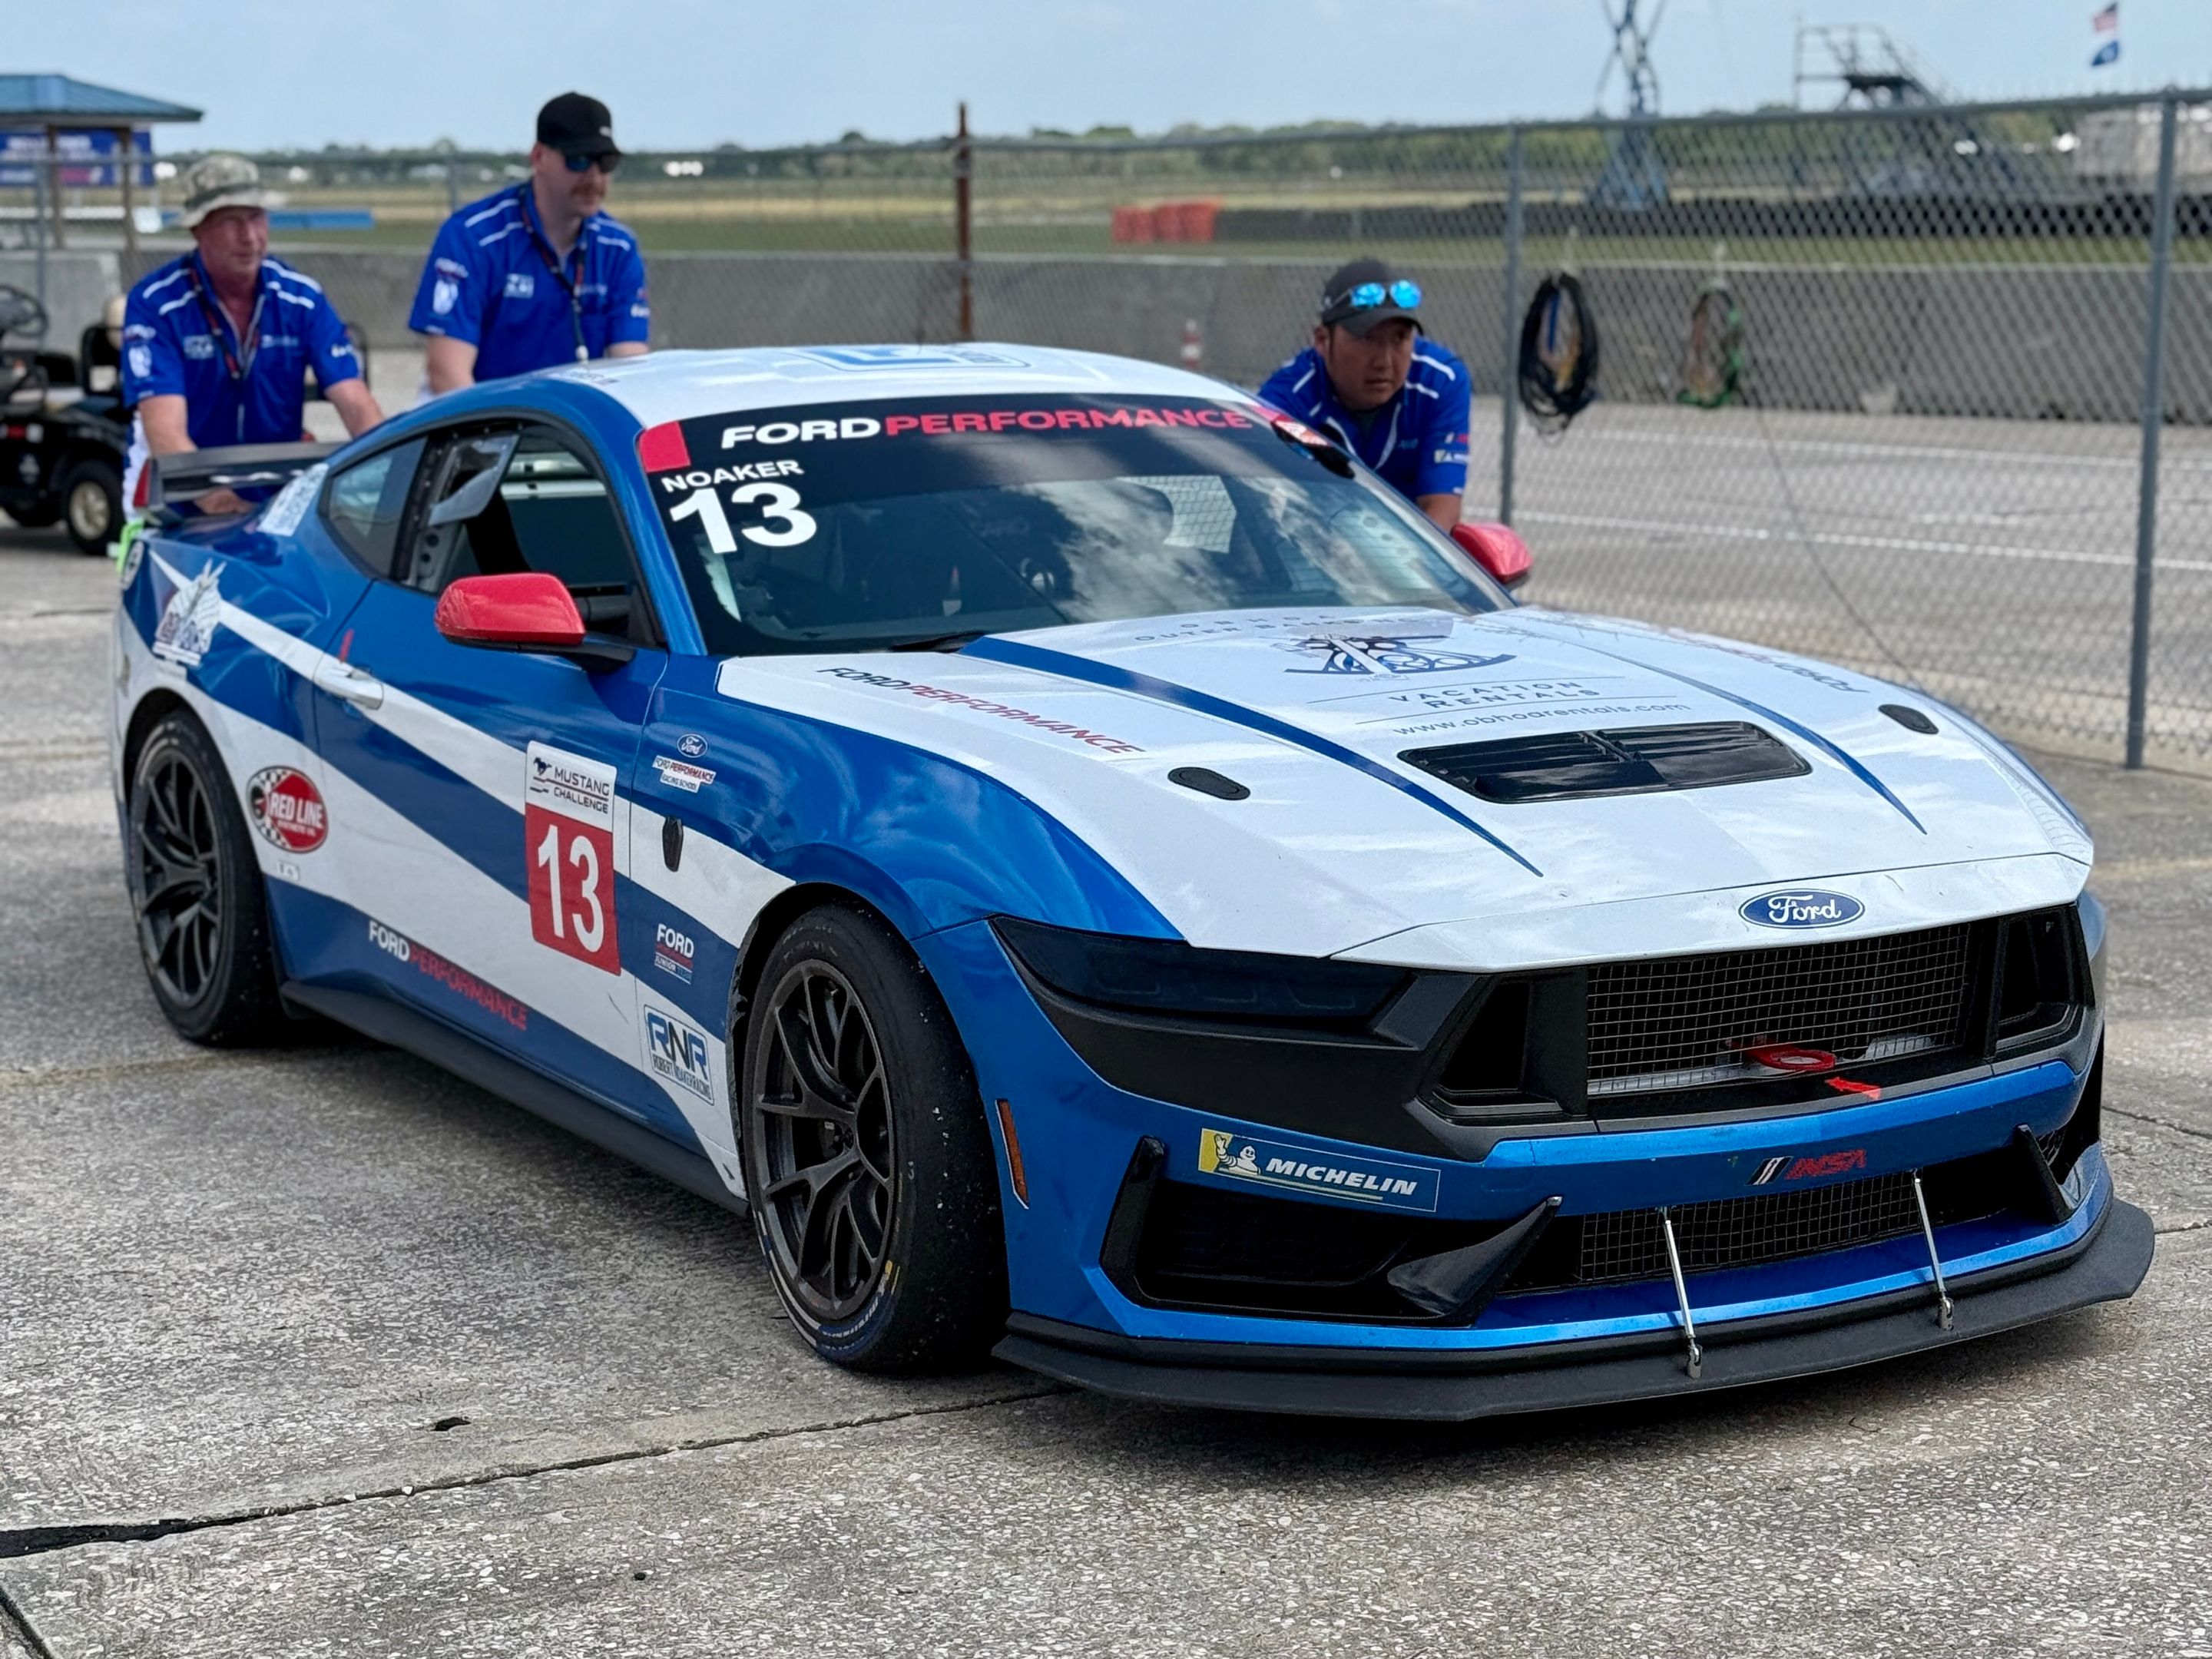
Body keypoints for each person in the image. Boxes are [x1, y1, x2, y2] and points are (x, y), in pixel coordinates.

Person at [119, 154, 383, 516]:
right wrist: (223, 504)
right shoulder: (157, 304)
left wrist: (391, 476)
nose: (249, 237)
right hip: (177, 498)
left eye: (256, 217)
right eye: (230, 222)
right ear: (197, 230)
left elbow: (356, 403)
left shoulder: (301, 299)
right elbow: (164, 429)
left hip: (277, 498)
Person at [409, 91, 650, 392]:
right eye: (578, 161)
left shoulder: (618, 248)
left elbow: (630, 369)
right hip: (478, 412)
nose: (594, 179)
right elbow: (447, 375)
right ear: (538, 157)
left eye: (606, 163)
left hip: (567, 416)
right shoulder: (473, 237)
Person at [1257, 257, 1472, 532]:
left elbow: (1442, 511)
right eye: (1367, 338)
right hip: (1316, 542)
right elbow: (1257, 503)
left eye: (1399, 338)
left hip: (1408, 550)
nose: (1384, 361)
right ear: (1322, 340)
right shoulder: (1285, 402)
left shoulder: (1440, 382)